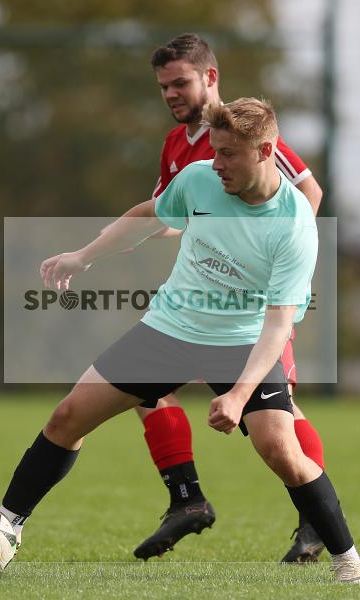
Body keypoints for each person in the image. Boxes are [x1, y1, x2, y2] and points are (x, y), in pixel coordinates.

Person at [0, 98, 360, 583]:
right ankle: (5, 527)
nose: (216, 163)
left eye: (228, 154)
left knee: (280, 451)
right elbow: (149, 214)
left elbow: (278, 323)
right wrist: (85, 256)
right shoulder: (199, 178)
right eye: (215, 151)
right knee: (67, 417)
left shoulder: (293, 226)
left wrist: (238, 393)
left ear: (266, 151)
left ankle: (348, 562)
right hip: (168, 329)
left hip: (243, 342)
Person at [128, 33, 328, 563]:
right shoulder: (177, 145)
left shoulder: (244, 132)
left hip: (256, 302)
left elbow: (308, 193)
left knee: (274, 416)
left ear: (210, 78)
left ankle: (314, 523)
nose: (171, 94)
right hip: (196, 300)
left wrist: (284, 275)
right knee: (143, 389)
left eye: (181, 83)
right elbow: (174, 212)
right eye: (164, 86)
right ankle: (186, 499)